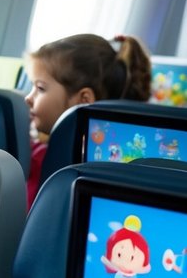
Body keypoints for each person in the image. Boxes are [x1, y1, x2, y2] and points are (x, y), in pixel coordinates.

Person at [24, 33, 152, 207]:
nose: (28, 98)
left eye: (40, 88)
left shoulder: (47, 161)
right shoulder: (32, 151)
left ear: (84, 100)